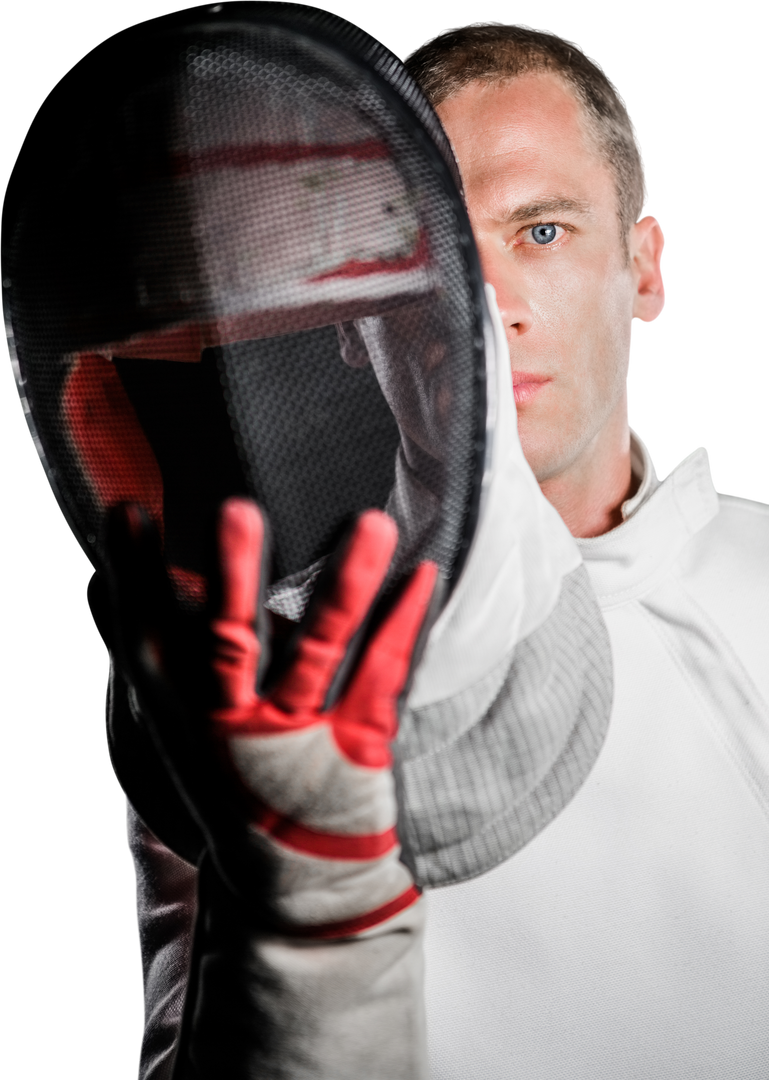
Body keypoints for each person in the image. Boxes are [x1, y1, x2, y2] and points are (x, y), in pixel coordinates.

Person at [400, 20, 769, 1079]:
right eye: (436, 255)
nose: (486, 307)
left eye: (541, 233)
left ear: (644, 270)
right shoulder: (258, 654)